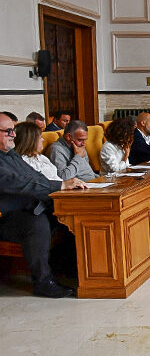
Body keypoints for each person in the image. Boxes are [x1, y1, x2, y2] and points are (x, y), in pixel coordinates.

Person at [0, 112, 87, 298]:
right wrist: (59, 185)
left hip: (27, 206)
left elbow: (34, 176)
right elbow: (18, 183)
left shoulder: (11, 154)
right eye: (8, 131)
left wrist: (60, 188)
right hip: (7, 216)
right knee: (35, 222)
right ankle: (43, 282)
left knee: (68, 216)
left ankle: (72, 270)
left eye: (13, 131)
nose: (13, 135)